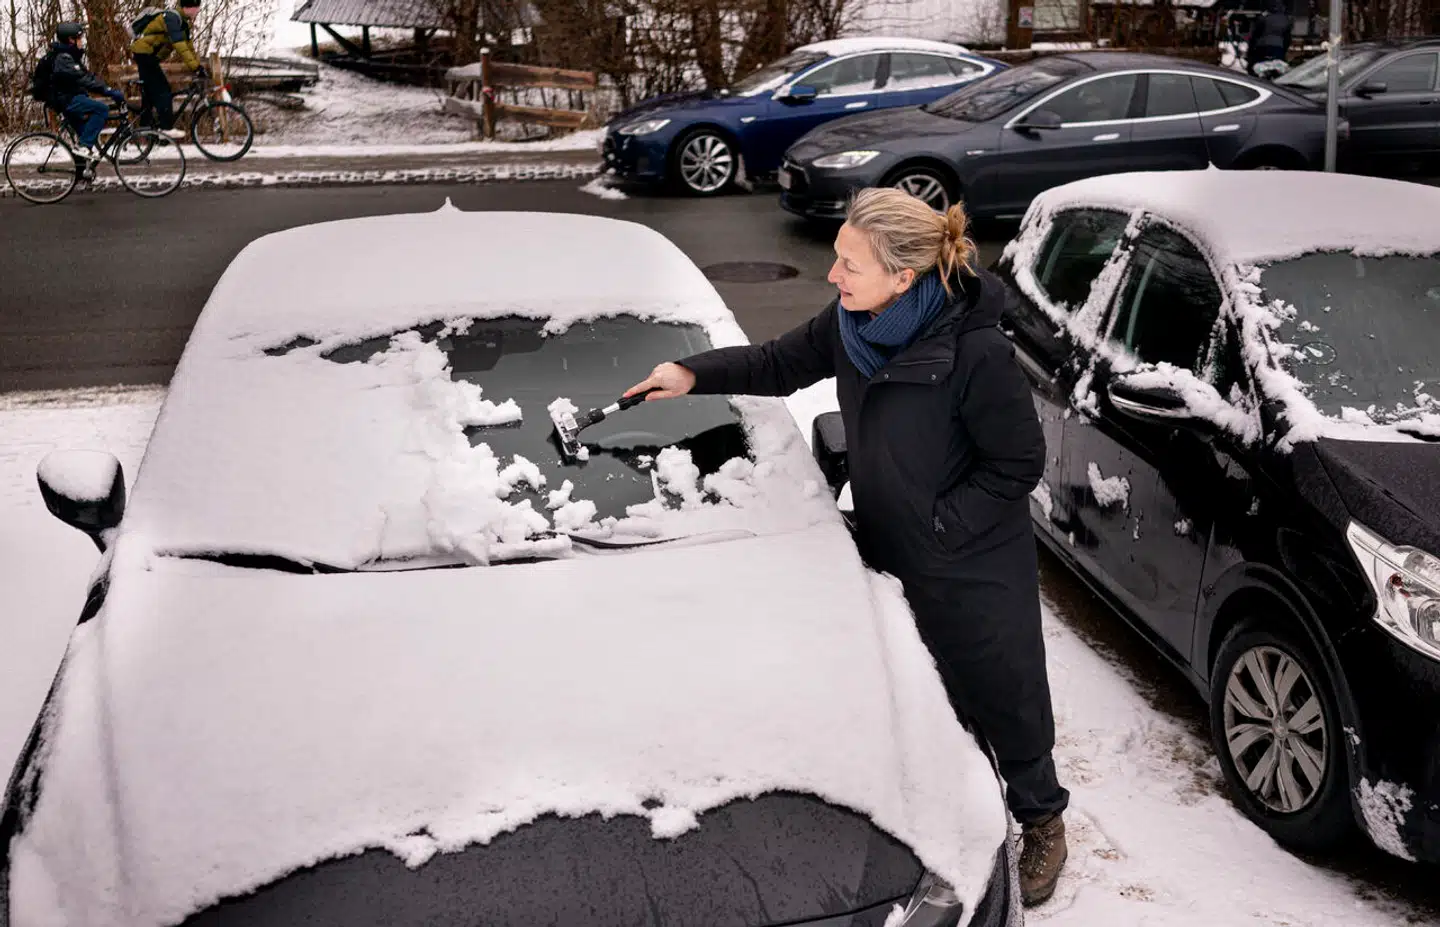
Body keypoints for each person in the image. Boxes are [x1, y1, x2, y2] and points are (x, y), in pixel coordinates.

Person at [625, 187, 1071, 906]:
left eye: (849, 265)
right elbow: (776, 363)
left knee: (1004, 691)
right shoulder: (853, 324)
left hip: (974, 563)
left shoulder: (976, 352)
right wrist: (693, 374)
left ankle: (1042, 814)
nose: (832, 276)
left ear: (903, 277)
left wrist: (941, 527)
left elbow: (1018, 464)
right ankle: (948, 806)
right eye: (835, 258)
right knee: (920, 694)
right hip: (892, 547)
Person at [42, 23, 127, 163]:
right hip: (67, 100)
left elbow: (88, 77)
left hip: (70, 98)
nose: (82, 41)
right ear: (71, 40)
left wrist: (107, 90)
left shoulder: (70, 56)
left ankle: (82, 175)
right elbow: (83, 79)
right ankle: (83, 146)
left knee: (84, 136)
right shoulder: (63, 58)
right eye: (79, 38)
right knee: (101, 109)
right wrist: (108, 91)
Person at [130, 0, 207, 140]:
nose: (198, 11)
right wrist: (195, 67)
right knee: (163, 90)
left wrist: (197, 66)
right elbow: (179, 46)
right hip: (144, 54)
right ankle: (166, 128)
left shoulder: (182, 23)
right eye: (197, 7)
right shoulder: (172, 18)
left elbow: (188, 46)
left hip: (147, 55)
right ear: (188, 7)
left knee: (150, 94)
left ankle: (145, 129)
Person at [1246, 0, 1293, 76]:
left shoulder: (1263, 18)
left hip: (1262, 47)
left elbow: (1255, 35)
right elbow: (1287, 38)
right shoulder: (1286, 20)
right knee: (1278, 68)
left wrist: (1250, 50)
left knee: (1257, 67)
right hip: (1278, 47)